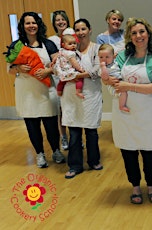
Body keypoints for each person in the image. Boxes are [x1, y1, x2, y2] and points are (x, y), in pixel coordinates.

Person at [103, 18, 152, 204]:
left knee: (150, 152)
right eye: (134, 33)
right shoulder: (122, 57)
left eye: (142, 32)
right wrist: (112, 81)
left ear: (148, 34)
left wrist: (127, 86)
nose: (139, 36)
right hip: (126, 114)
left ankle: (151, 184)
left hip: (148, 113)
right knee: (128, 151)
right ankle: (135, 186)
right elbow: (112, 79)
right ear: (130, 37)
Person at [6, 12, 65, 168]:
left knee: (51, 124)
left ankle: (56, 151)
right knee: (32, 125)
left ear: (39, 24)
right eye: (27, 23)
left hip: (46, 90)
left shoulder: (48, 44)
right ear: (22, 26)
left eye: (34, 22)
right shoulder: (16, 46)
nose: (31, 26)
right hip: (26, 92)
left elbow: (60, 65)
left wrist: (48, 71)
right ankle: (40, 154)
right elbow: (10, 69)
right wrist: (18, 68)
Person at [60, 19, 103, 179]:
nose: (80, 32)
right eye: (77, 30)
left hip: (91, 95)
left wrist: (76, 75)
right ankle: (75, 165)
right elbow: (59, 68)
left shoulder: (96, 49)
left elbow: (99, 69)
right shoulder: (68, 49)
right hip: (71, 95)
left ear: (89, 30)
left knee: (91, 131)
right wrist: (68, 75)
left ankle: (93, 161)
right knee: (74, 132)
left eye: (83, 29)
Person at [48, 10, 74, 150]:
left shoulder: (73, 35)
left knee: (74, 108)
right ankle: (64, 137)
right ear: (54, 23)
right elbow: (52, 59)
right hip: (59, 78)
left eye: (63, 19)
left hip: (73, 77)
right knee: (62, 110)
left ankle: (76, 138)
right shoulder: (51, 40)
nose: (60, 22)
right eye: (57, 20)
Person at [55, 34, 85, 99]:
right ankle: (78, 91)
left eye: (74, 43)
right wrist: (80, 69)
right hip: (69, 70)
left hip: (62, 71)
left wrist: (53, 62)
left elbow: (56, 58)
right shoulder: (71, 53)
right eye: (70, 44)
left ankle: (59, 91)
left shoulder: (61, 51)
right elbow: (74, 63)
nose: (73, 45)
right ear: (63, 44)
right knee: (80, 79)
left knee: (62, 81)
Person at [98, 44, 125, 112]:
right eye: (101, 57)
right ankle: (121, 106)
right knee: (123, 93)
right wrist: (103, 67)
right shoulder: (101, 69)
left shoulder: (115, 62)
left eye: (107, 57)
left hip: (120, 81)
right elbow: (105, 78)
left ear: (113, 56)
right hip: (112, 86)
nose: (104, 59)